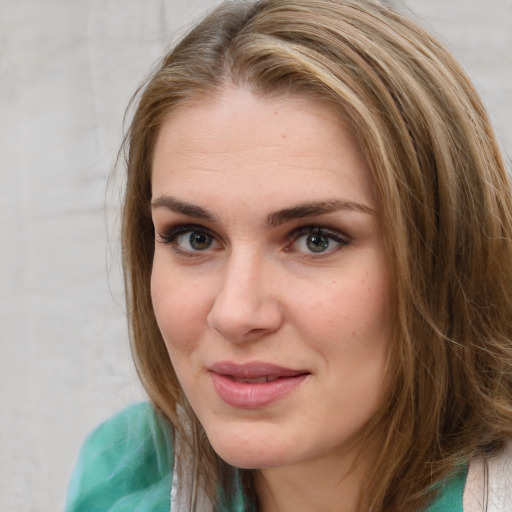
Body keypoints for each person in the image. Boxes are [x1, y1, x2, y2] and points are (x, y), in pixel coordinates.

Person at [65, 0, 512, 511]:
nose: (235, 314)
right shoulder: (123, 481)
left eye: (315, 239)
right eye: (195, 237)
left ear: (446, 255)